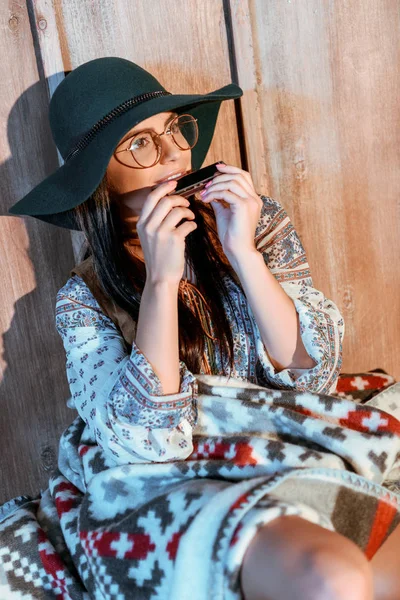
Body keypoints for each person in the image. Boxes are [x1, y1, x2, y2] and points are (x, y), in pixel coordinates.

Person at [5, 56, 399, 600]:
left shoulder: (252, 222)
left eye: (174, 130)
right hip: (176, 480)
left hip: (281, 438)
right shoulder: (84, 296)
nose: (172, 153)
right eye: (139, 143)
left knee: (385, 575)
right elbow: (143, 442)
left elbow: (313, 374)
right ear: (98, 175)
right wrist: (161, 285)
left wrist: (243, 253)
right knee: (331, 579)